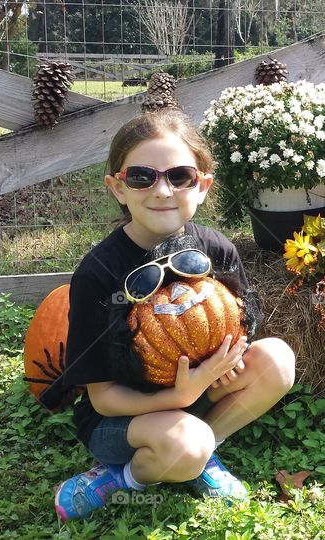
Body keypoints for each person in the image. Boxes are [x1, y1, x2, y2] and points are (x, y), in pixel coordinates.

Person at [53, 110, 296, 521]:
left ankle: (201, 454)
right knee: (187, 443)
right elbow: (103, 398)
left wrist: (229, 364)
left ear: (202, 186)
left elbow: (235, 324)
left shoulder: (217, 250)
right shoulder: (98, 273)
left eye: (179, 176)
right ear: (118, 188)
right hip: (123, 420)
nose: (163, 190)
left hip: (197, 398)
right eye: (142, 177)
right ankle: (121, 477)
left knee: (277, 360)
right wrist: (179, 396)